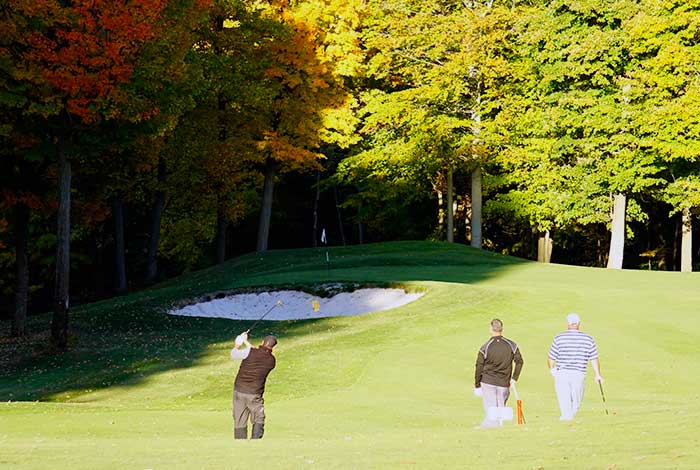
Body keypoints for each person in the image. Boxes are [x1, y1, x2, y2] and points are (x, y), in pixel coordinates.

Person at [547, 313, 603, 421]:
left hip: (562, 373)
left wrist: (553, 371)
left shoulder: (559, 337)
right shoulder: (588, 339)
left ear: (567, 323)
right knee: (576, 401)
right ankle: (567, 420)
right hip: (578, 374)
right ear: (579, 324)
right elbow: (594, 358)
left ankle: (567, 419)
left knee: (564, 400)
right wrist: (597, 375)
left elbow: (551, 358)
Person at [474, 318, 524, 427]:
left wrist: (477, 385)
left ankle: (489, 428)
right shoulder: (511, 345)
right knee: (499, 409)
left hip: (488, 381)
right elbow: (519, 362)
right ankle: (496, 427)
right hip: (504, 382)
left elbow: (479, 366)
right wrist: (514, 378)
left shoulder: (485, 347)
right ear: (502, 329)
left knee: (491, 409)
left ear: (491, 329)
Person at [230, 331, 277, 439]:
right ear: (273, 347)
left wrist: (238, 343)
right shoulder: (271, 361)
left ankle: (240, 441)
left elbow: (234, 354)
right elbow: (257, 353)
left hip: (239, 390)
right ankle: (256, 440)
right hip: (254, 393)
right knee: (258, 417)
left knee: (239, 418)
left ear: (262, 342)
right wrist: (245, 342)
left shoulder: (249, 352)